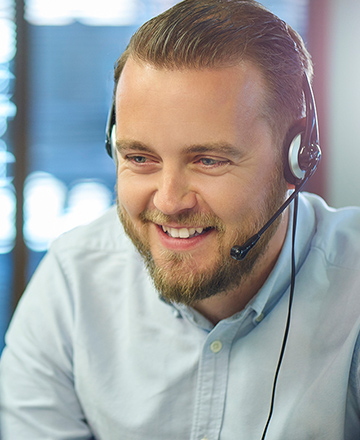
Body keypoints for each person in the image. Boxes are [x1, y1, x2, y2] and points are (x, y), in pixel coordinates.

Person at [1, 0, 360, 439]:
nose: (169, 202)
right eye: (139, 157)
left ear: (296, 160)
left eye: (208, 160)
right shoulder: (74, 282)